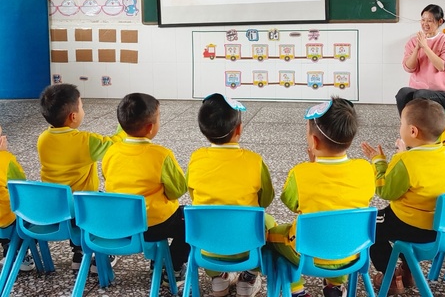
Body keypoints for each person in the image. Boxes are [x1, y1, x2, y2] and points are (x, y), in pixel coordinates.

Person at [268, 97, 375, 297]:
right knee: (341, 228)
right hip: (353, 251)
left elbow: (291, 203)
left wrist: (311, 167)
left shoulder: (300, 173)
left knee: (270, 237)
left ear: (314, 141)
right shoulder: (365, 169)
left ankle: (297, 289)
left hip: (307, 253)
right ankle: (335, 286)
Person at [361, 99, 445, 295]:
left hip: (411, 226)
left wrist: (379, 162)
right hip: (440, 229)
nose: (400, 128)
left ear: (413, 131)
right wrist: (405, 155)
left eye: (401, 124)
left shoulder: (405, 161)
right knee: (391, 220)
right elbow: (424, 167)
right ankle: (410, 272)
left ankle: (390, 276)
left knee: (371, 225)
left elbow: (384, 191)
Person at [186, 93, 275, 297]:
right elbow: (266, 199)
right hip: (248, 245)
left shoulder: (196, 159)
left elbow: (191, 193)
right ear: (239, 129)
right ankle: (249, 277)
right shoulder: (255, 161)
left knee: (205, 219)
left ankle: (218, 277)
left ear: (204, 130)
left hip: (207, 246)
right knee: (270, 223)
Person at [102, 92, 189, 288]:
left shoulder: (111, 151)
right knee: (188, 220)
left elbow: (108, 178)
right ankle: (173, 268)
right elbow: (177, 190)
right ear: (150, 128)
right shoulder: (161, 155)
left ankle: (157, 260)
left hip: (119, 223)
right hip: (154, 226)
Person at [38, 83, 124, 270]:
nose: (83, 109)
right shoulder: (84, 141)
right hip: (82, 208)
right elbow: (114, 144)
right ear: (73, 116)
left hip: (54, 207)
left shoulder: (43, 138)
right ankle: (102, 254)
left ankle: (78, 253)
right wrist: (124, 126)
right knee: (104, 202)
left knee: (71, 201)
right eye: (82, 106)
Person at [395, 4, 445, 114]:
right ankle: (407, 126)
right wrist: (417, 48)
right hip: (418, 90)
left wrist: (425, 47)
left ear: (440, 21)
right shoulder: (414, 41)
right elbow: (409, 68)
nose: (425, 24)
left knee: (420, 95)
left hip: (444, 95)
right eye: (423, 20)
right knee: (403, 93)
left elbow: (442, 66)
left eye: (429, 20)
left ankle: (422, 128)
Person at [0, 126, 34, 272]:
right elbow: (20, 186)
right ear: (1, 141)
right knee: (29, 215)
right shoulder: (6, 160)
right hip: (7, 218)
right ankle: (16, 254)